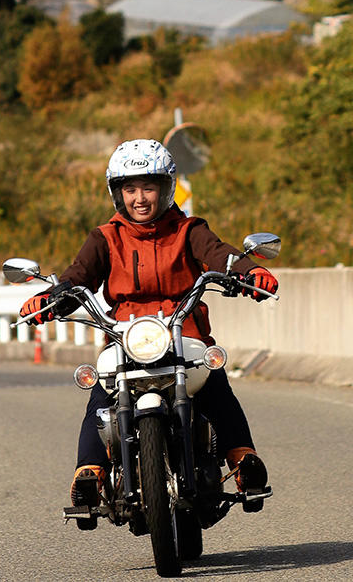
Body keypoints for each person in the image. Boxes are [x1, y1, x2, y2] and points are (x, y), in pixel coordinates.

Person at [19, 138, 279, 520]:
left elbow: (219, 254)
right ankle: (89, 472)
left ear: (167, 188)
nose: (139, 198)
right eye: (129, 188)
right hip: (126, 335)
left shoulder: (190, 230)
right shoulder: (105, 237)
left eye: (149, 187)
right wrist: (51, 297)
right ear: (117, 193)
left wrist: (246, 272)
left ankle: (243, 460)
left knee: (214, 383)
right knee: (101, 395)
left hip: (183, 332)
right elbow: (79, 275)